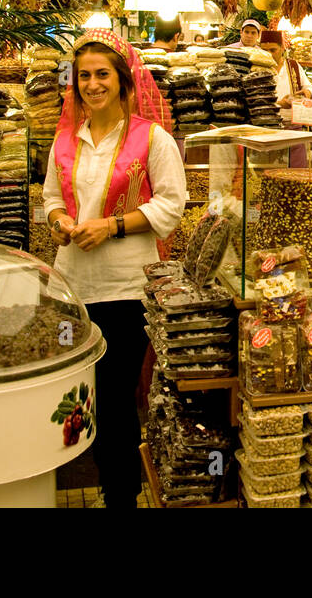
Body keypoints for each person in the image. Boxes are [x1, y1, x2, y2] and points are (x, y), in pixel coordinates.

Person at [42, 29, 185, 508]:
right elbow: (50, 199)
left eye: (102, 74)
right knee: (79, 396)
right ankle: (97, 483)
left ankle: (121, 495)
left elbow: (171, 207)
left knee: (117, 399)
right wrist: (61, 220)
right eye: (83, 75)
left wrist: (112, 227)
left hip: (125, 289)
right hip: (72, 288)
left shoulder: (153, 139)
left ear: (124, 82)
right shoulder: (66, 139)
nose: (92, 84)